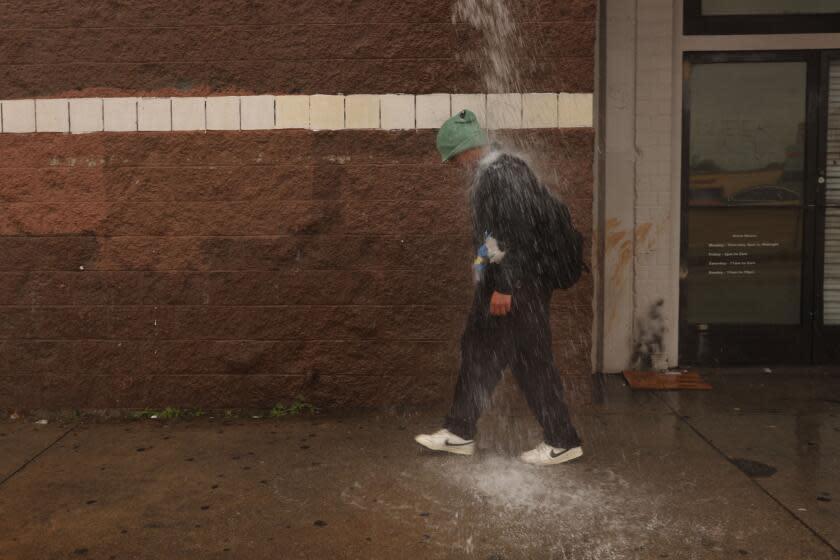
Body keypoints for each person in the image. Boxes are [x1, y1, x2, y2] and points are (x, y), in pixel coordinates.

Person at [414, 109, 583, 466]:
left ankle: (561, 439)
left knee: (528, 361)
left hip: (518, 288)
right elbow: (496, 236)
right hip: (512, 285)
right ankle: (460, 432)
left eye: (454, 156)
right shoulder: (499, 169)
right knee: (483, 353)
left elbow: (517, 236)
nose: (454, 165)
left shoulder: (501, 174)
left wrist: (505, 287)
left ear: (467, 148)